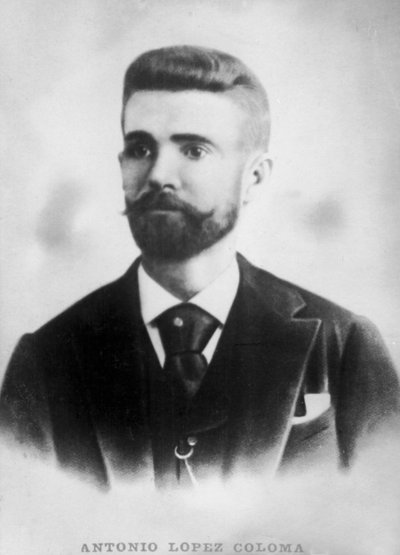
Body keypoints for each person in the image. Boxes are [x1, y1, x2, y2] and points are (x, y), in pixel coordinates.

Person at [0, 45, 399, 490]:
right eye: (140, 148)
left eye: (193, 150)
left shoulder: (342, 345)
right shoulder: (47, 361)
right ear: (122, 165)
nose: (158, 175)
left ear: (254, 178)